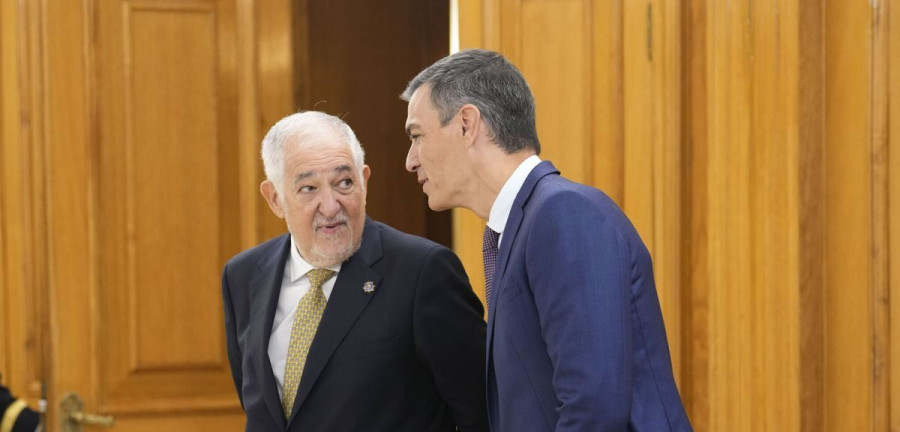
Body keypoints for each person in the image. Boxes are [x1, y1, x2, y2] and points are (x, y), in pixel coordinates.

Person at [402, 49, 692, 431]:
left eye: (417, 136)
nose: (410, 160)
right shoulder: (522, 226)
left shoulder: (563, 213)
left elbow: (595, 409)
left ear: (466, 124)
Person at [222, 111, 489, 432]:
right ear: (275, 199)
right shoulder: (243, 276)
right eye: (308, 188)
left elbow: (482, 411)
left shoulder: (423, 272)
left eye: (344, 183)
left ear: (364, 181)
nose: (330, 206)